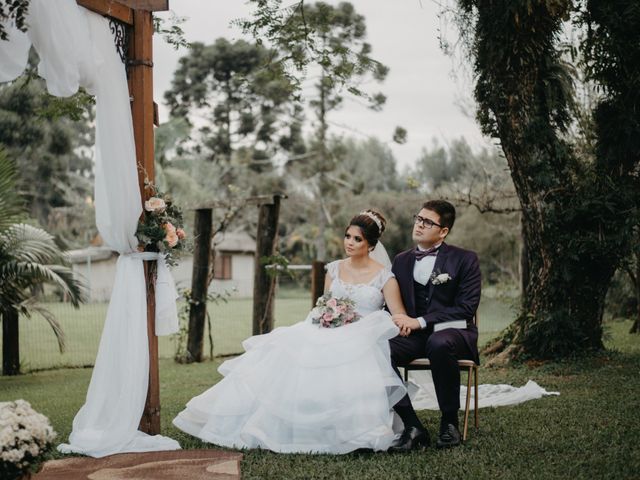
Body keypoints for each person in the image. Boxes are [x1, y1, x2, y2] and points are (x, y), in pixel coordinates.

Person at [173, 210, 408, 454]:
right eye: (347, 236)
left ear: (371, 244)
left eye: (357, 239)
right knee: (287, 350)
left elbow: (396, 314)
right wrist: (327, 315)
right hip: (327, 327)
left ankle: (349, 429)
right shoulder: (335, 269)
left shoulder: (385, 277)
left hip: (361, 336)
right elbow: (324, 303)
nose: (349, 242)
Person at [389, 200, 480, 451]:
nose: (419, 224)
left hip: (455, 331)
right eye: (418, 218)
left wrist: (418, 322)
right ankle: (412, 425)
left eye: (427, 222)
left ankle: (449, 423)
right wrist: (399, 321)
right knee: (377, 349)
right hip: (414, 336)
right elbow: (392, 303)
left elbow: (466, 309)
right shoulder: (401, 260)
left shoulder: (465, 259)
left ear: (443, 231)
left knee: (439, 343)